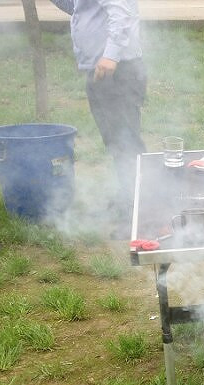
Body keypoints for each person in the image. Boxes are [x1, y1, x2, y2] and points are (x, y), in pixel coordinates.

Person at [49, 0, 147, 234]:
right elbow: (79, 6)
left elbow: (120, 12)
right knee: (116, 141)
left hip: (118, 69)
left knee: (126, 144)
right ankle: (128, 199)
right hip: (105, 68)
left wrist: (110, 55)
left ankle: (139, 213)